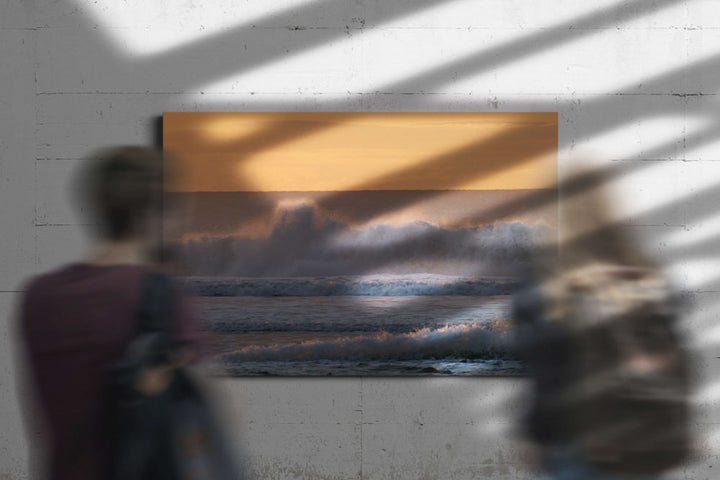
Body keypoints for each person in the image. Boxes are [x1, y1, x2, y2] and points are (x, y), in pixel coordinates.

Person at [16, 146, 202, 480]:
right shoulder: (159, 295)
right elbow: (201, 430)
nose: (181, 225)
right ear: (146, 216)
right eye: (174, 212)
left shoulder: (37, 296)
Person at [512, 161, 692, 480]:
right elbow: (678, 359)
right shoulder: (648, 276)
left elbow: (548, 379)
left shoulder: (547, 283)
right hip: (645, 440)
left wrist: (538, 437)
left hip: (581, 446)